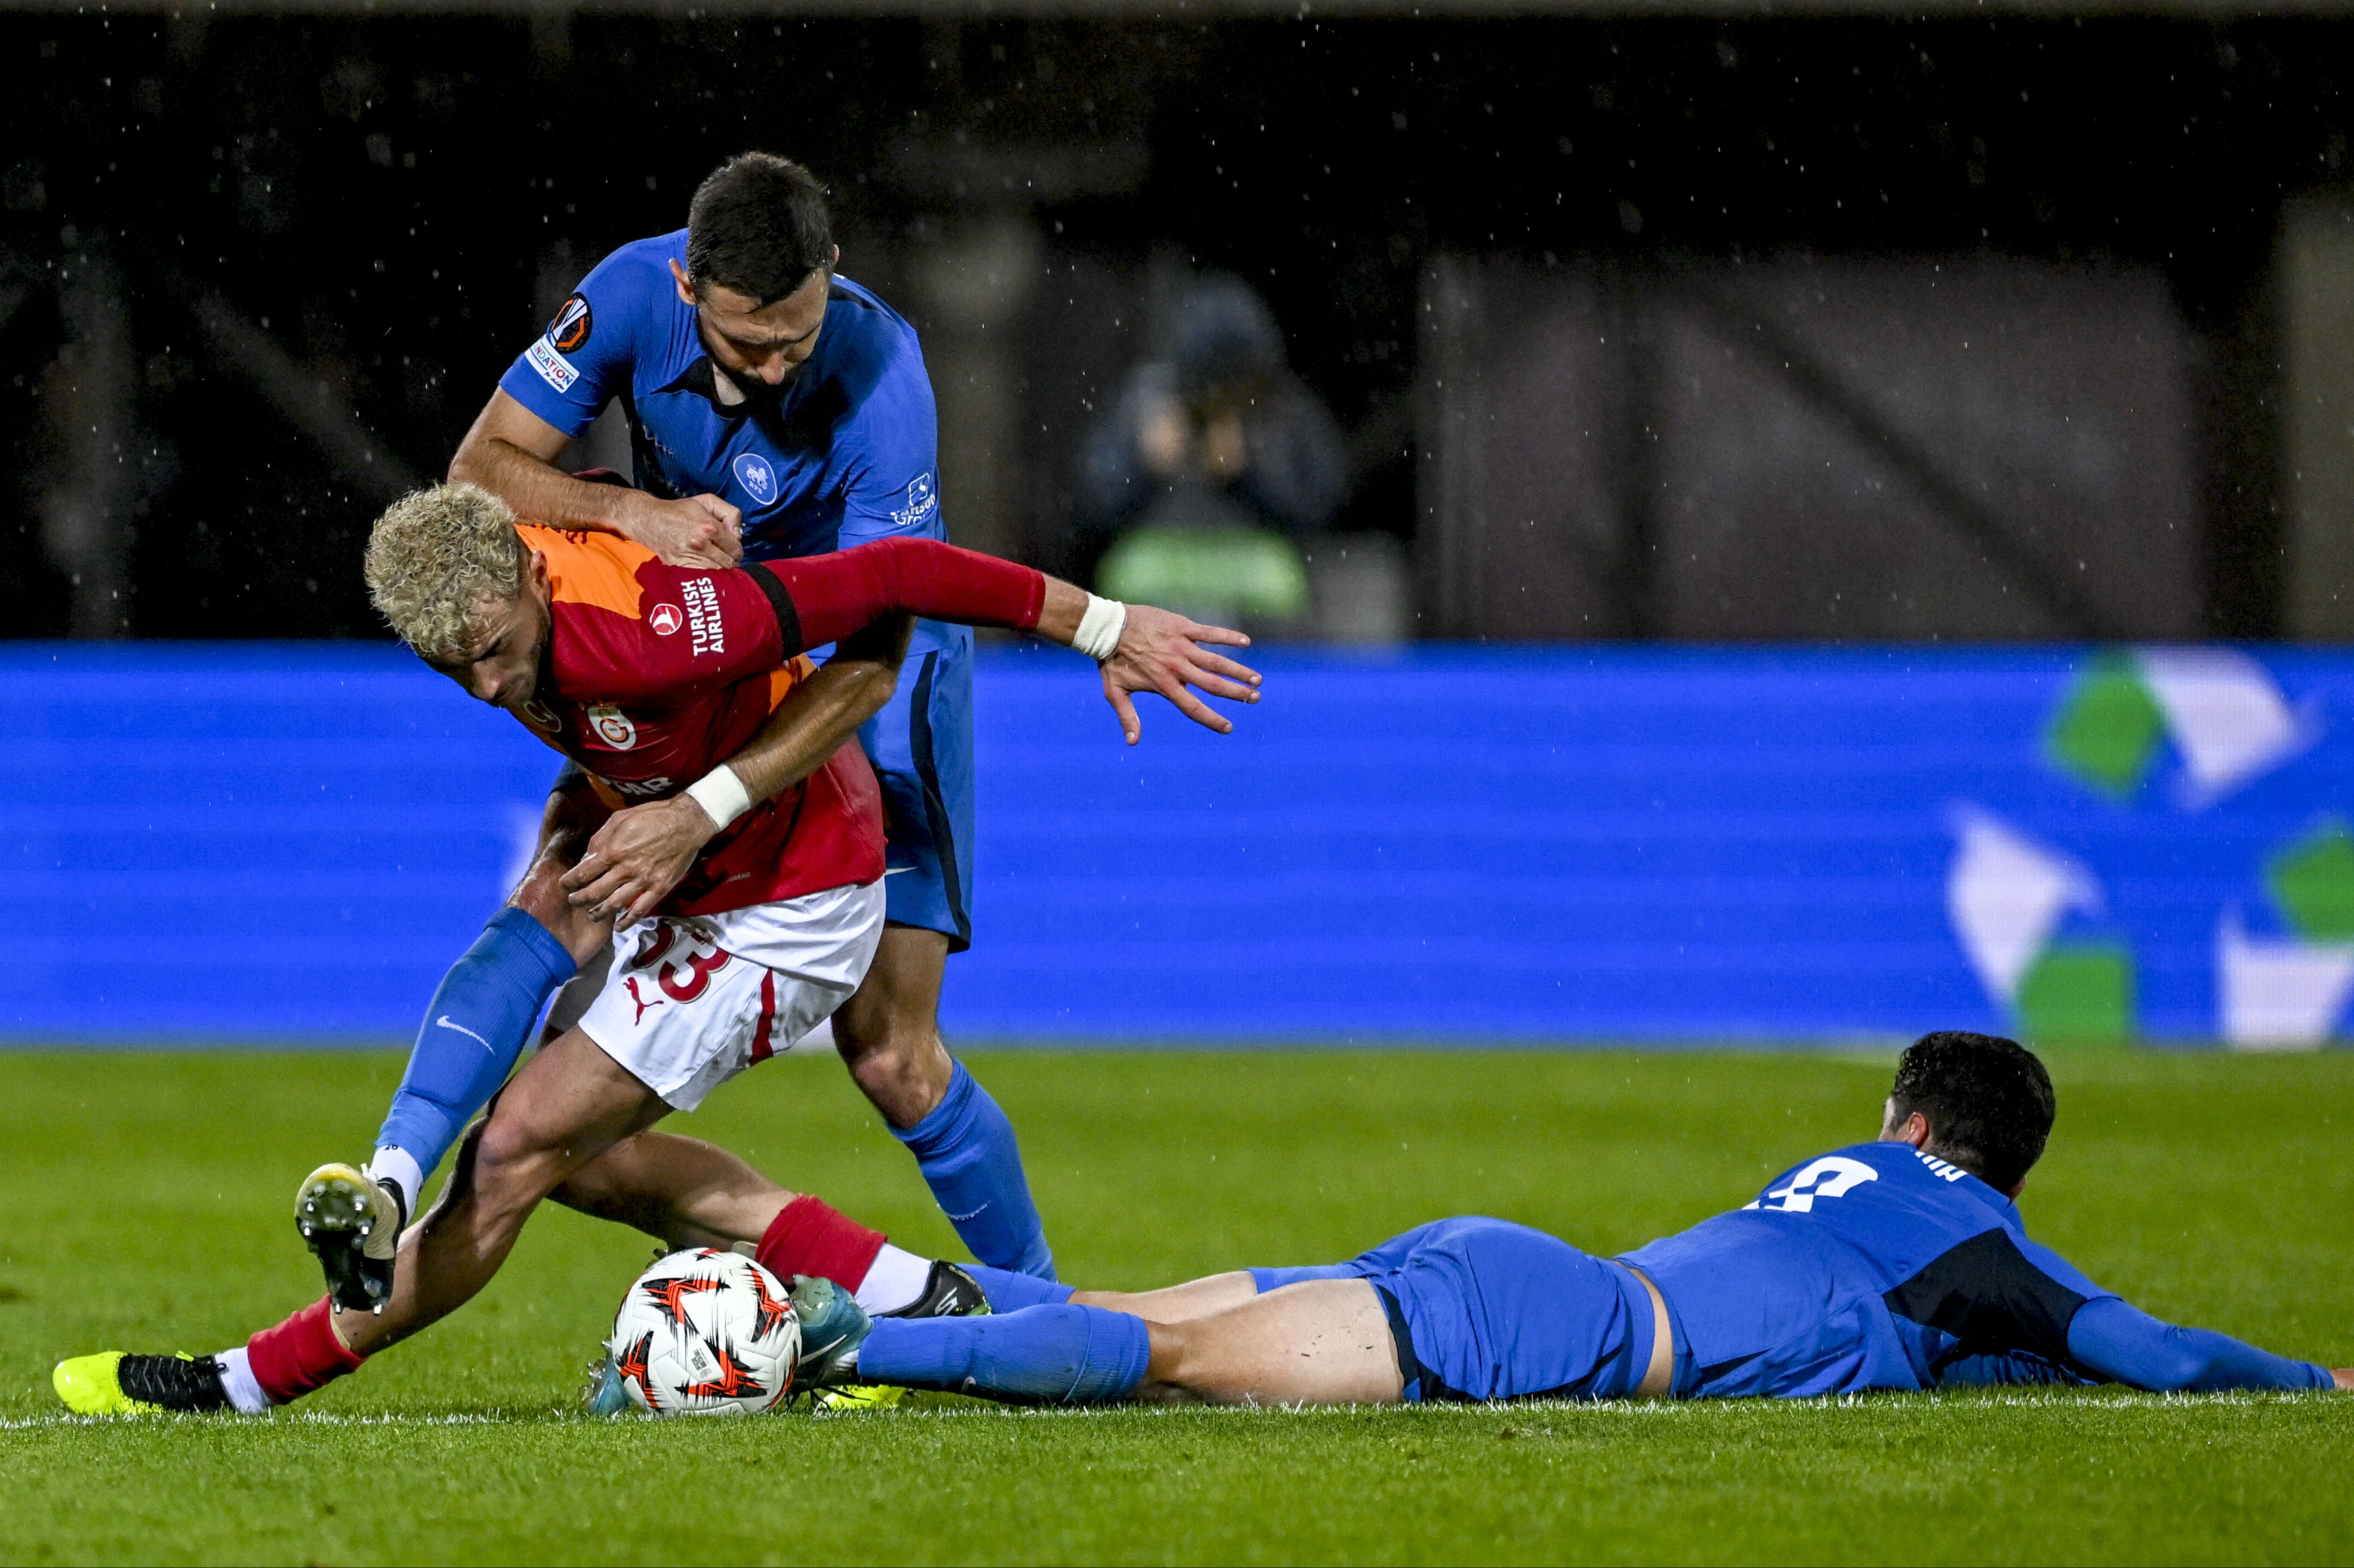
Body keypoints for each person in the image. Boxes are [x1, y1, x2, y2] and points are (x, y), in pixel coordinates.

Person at [50, 481, 1255, 1417]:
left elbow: (901, 573)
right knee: (577, 1128)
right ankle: (395, 1186)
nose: (481, 687)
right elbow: (503, 459)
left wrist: (1102, 625)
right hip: (682, 852)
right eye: (447, 665)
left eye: (489, 649)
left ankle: (248, 1382)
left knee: (521, 1142)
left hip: (791, 895)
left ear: (529, 572)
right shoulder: (487, 583)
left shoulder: (666, 629)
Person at [437, 150, 1070, 1283]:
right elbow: (479, 470)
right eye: (746, 344)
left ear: (834, 270)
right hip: (686, 674)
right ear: (686, 289)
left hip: (863, 668)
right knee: (555, 1115)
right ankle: (869, 1288)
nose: (777, 367)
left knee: (891, 1052)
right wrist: (633, 511)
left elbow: (873, 656)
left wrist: (704, 808)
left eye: (798, 337)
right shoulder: (630, 295)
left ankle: (1046, 1317)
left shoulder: (887, 385)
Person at [778, 1031, 2353, 1407]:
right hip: (1546, 1330)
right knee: (1177, 1353)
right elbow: (2116, 1336)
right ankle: (831, 1343)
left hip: (1517, 1275)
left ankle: (843, 1291)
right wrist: (2303, 1384)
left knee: (1141, 1301)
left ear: (1909, 1119)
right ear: (1976, 1158)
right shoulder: (1961, 1237)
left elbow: (2009, 1355)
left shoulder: (1888, 1229)